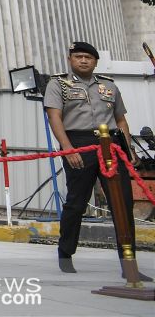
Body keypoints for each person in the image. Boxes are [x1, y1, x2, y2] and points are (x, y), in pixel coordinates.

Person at [44, 41, 150, 281]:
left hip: (111, 145)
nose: (83, 61)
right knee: (76, 203)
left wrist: (128, 148)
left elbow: (120, 120)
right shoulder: (57, 84)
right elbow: (55, 118)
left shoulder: (109, 86)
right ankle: (65, 253)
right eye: (78, 56)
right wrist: (68, 149)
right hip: (79, 144)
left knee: (122, 204)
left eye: (88, 57)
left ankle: (129, 264)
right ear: (70, 59)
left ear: (95, 62)